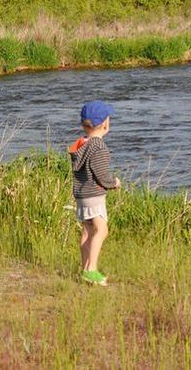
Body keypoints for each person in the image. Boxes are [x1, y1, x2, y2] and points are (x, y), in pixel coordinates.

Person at [68, 100, 121, 286]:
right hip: (94, 195)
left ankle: (85, 270)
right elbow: (101, 174)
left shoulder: (81, 144)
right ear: (105, 124)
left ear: (84, 125)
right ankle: (91, 270)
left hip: (81, 195)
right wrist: (113, 183)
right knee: (102, 230)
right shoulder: (99, 147)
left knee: (87, 231)